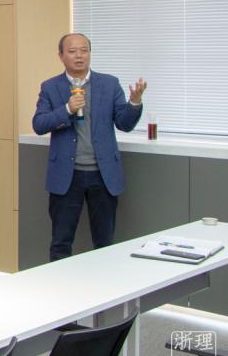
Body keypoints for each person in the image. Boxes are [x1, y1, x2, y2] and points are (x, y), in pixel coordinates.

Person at [32, 33, 147, 261]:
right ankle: (59, 283)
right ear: (61, 56)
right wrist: (67, 109)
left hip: (103, 176)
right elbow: (39, 124)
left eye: (84, 50)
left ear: (90, 54)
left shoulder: (109, 84)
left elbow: (124, 124)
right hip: (67, 176)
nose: (79, 56)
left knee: (104, 243)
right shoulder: (50, 87)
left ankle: (103, 283)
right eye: (72, 51)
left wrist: (134, 102)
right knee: (61, 243)